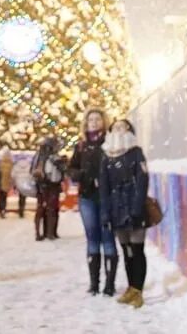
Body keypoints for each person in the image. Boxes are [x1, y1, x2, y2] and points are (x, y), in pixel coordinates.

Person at [99, 118, 149, 308]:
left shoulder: (136, 152)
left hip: (133, 206)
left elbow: (142, 180)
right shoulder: (106, 155)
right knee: (126, 249)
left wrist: (137, 207)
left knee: (137, 249)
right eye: (116, 126)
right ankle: (131, 288)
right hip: (116, 208)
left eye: (124, 126)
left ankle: (138, 290)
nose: (119, 129)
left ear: (129, 129)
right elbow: (103, 186)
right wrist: (105, 213)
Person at [68, 109, 117, 295]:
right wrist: (81, 175)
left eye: (97, 119)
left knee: (108, 238)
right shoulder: (81, 146)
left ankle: (109, 285)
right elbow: (71, 168)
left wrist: (104, 179)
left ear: (103, 122)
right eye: (91, 120)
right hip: (87, 197)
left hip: (107, 198)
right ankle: (94, 283)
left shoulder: (111, 143)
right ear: (86, 123)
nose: (94, 122)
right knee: (92, 238)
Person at [31, 135, 65, 241]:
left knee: (41, 208)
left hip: (41, 185)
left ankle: (40, 233)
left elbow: (32, 170)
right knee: (52, 209)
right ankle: (51, 233)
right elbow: (62, 171)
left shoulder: (38, 156)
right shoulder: (54, 157)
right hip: (51, 186)